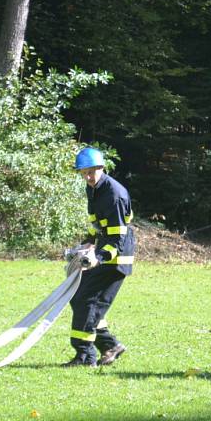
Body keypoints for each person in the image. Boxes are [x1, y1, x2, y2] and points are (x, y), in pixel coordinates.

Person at [63, 147, 135, 367]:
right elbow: (97, 223)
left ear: (102, 168)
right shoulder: (93, 189)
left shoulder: (114, 195)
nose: (87, 177)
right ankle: (109, 345)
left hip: (116, 258)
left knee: (87, 301)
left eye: (91, 172)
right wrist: (89, 242)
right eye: (83, 173)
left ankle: (84, 356)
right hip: (102, 251)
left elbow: (117, 238)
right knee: (79, 298)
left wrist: (99, 257)